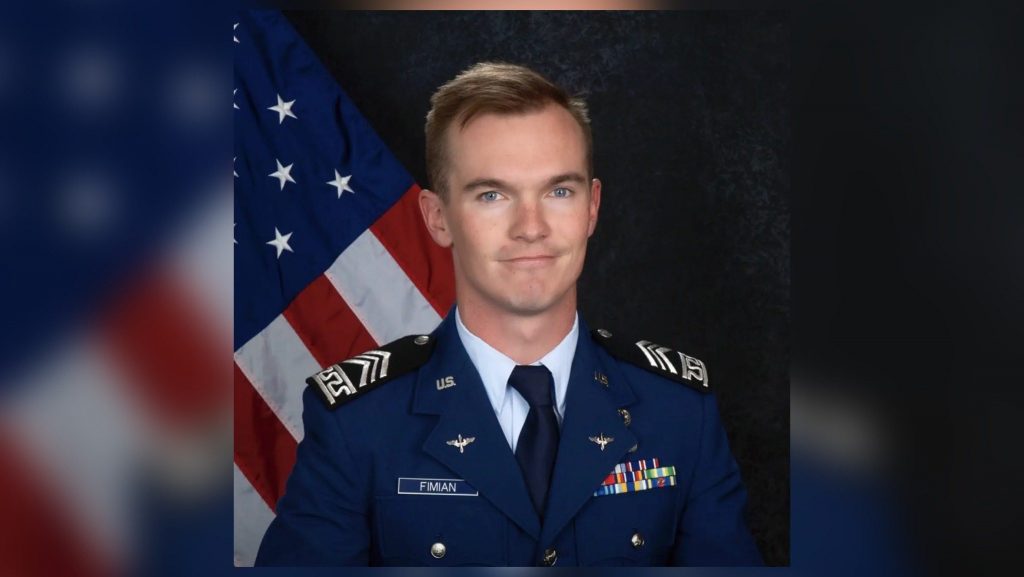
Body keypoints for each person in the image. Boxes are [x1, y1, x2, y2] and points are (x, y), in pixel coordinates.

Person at [255, 62, 763, 567]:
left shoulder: (678, 413)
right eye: (492, 195)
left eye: (559, 191)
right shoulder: (358, 424)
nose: (531, 227)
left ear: (592, 207)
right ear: (438, 218)